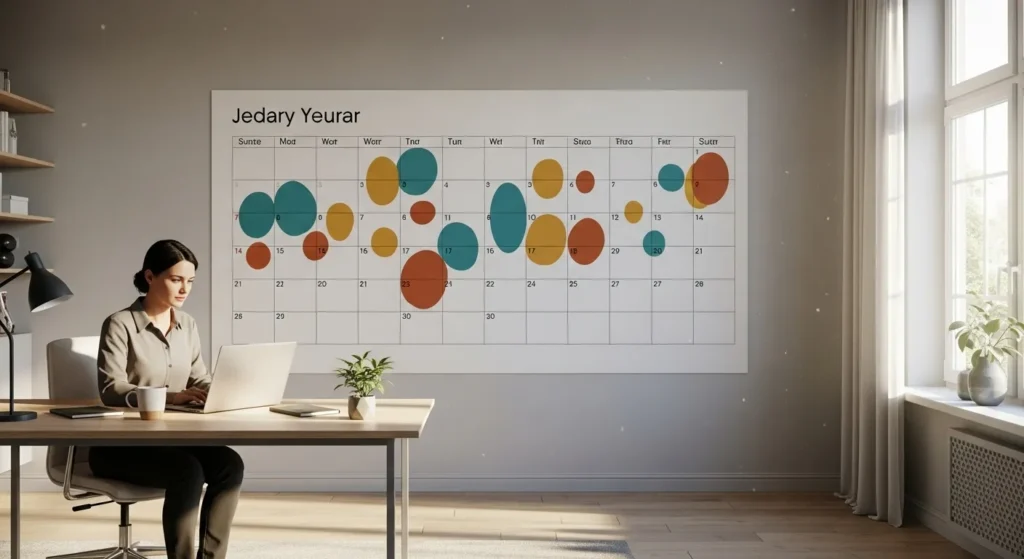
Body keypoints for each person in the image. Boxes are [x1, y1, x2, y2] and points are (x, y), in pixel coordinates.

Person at [89, 239, 244, 559]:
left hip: (172, 438)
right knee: (187, 471)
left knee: (230, 464)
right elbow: (110, 390)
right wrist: (173, 396)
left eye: (190, 281)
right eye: (176, 279)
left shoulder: (187, 324)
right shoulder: (120, 324)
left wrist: (226, 390)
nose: (185, 288)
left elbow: (198, 377)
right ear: (150, 277)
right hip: (119, 446)